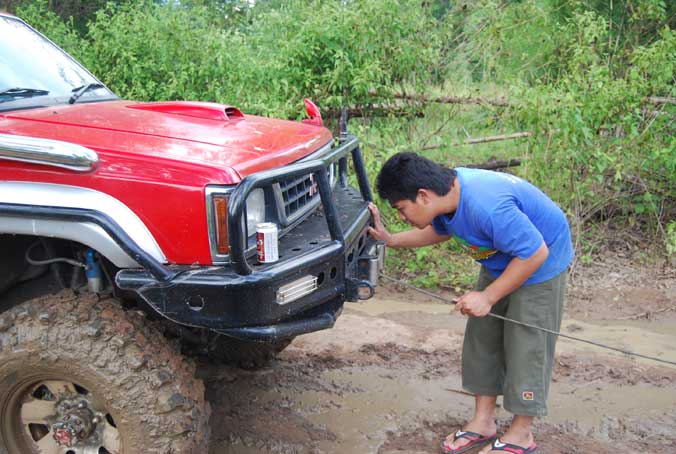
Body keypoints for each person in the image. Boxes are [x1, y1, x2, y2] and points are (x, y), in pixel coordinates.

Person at [367, 152, 573, 454]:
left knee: (527, 344)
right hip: (502, 259)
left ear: (423, 196)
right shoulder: (446, 198)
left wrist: (488, 296)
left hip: (540, 263)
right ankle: (483, 421)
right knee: (482, 336)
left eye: (401, 209)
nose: (401, 217)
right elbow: (439, 231)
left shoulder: (486, 206)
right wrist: (392, 239)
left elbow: (535, 253)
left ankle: (521, 433)